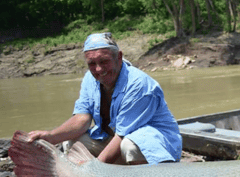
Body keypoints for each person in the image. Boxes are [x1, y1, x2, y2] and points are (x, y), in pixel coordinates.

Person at [28, 32, 182, 165]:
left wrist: (95, 170)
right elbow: (82, 118)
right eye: (92, 64)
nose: (99, 69)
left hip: (156, 148)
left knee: (130, 145)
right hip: (115, 142)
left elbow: (122, 136)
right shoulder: (90, 78)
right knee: (71, 140)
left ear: (119, 57)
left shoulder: (139, 84)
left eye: (104, 61)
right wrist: (50, 137)